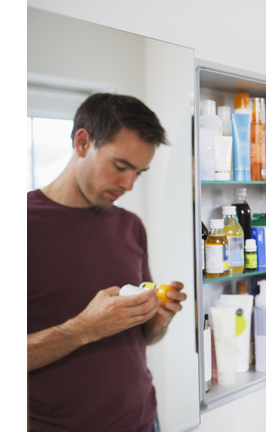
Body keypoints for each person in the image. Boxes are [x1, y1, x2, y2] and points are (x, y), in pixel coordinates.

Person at [27, 93, 188, 432]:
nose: (128, 184)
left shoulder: (131, 226)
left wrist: (157, 320)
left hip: (144, 420)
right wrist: (84, 329)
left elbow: (142, 340)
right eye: (120, 167)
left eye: (139, 173)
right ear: (82, 142)